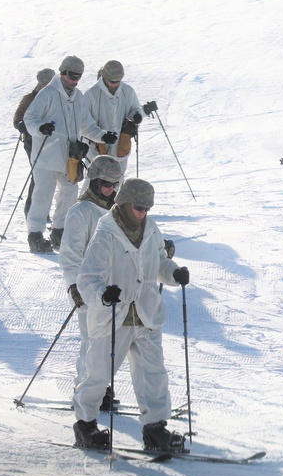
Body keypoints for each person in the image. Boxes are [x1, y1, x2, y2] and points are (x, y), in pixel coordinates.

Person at [72, 178, 190, 451]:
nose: (143, 213)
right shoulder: (105, 235)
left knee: (153, 374)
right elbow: (87, 278)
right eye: (138, 207)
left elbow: (160, 260)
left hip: (145, 314)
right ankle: (85, 425)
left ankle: (155, 429)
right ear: (124, 203)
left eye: (147, 208)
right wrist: (103, 293)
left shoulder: (151, 229)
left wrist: (173, 273)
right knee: (99, 375)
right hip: (113, 316)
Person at [22, 55, 114, 253]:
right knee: (43, 195)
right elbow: (29, 118)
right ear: (62, 73)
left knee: (69, 193)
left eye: (78, 77)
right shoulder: (47, 94)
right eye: (72, 76)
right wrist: (41, 128)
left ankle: (59, 231)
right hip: (46, 155)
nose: (75, 80)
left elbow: (86, 125)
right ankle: (35, 235)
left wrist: (102, 136)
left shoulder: (78, 96)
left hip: (69, 157)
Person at [58, 155, 120, 396]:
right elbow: (70, 254)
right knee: (91, 341)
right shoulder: (81, 211)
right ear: (94, 181)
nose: (110, 189)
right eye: (106, 183)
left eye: (115, 184)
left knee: (107, 343)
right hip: (87, 288)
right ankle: (86, 390)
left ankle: (99, 385)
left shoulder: (116, 211)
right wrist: (74, 285)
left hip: (112, 288)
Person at [83, 60, 144, 180]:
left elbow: (135, 109)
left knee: (117, 180)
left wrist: (136, 116)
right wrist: (101, 136)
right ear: (105, 77)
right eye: (112, 81)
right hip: (97, 147)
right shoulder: (91, 94)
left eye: (117, 81)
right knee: (95, 182)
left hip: (120, 145)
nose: (115, 84)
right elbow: (83, 122)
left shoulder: (128, 91)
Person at [12, 68, 55, 217]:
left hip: (51, 142)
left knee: (48, 175)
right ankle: (32, 208)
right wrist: (20, 124)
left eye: (48, 83)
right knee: (38, 174)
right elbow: (18, 115)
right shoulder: (30, 98)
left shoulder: (56, 98)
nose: (45, 86)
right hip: (32, 141)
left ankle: (39, 208)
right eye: (43, 83)